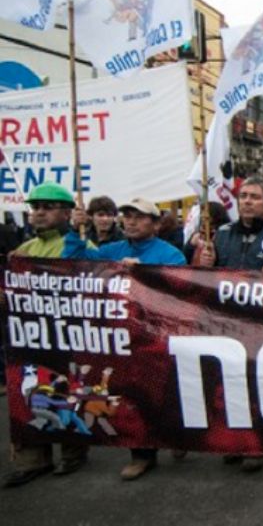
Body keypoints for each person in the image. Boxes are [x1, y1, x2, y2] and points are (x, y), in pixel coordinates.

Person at [63, 197, 186, 481]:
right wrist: (75, 231)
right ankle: (141, 454)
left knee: (167, 393)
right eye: (127, 215)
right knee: (133, 395)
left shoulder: (171, 255)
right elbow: (73, 265)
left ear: (155, 224)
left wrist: (142, 274)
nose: (130, 221)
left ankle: (179, 437)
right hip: (121, 338)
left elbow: (177, 292)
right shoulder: (110, 250)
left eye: (139, 216)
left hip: (157, 338)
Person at [195, 178, 263, 472]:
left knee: (259, 383)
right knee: (227, 382)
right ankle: (234, 440)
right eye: (243, 196)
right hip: (227, 322)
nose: (247, 201)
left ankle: (257, 444)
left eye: (255, 197)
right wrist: (206, 264)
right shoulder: (222, 234)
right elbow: (209, 277)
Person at [2, 183, 91, 488]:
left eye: (47, 207)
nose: (39, 212)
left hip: (64, 336)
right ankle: (33, 459)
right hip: (28, 337)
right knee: (27, 393)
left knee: (65, 392)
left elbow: (76, 276)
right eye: (35, 207)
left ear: (67, 213)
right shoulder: (24, 251)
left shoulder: (82, 246)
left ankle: (72, 451)